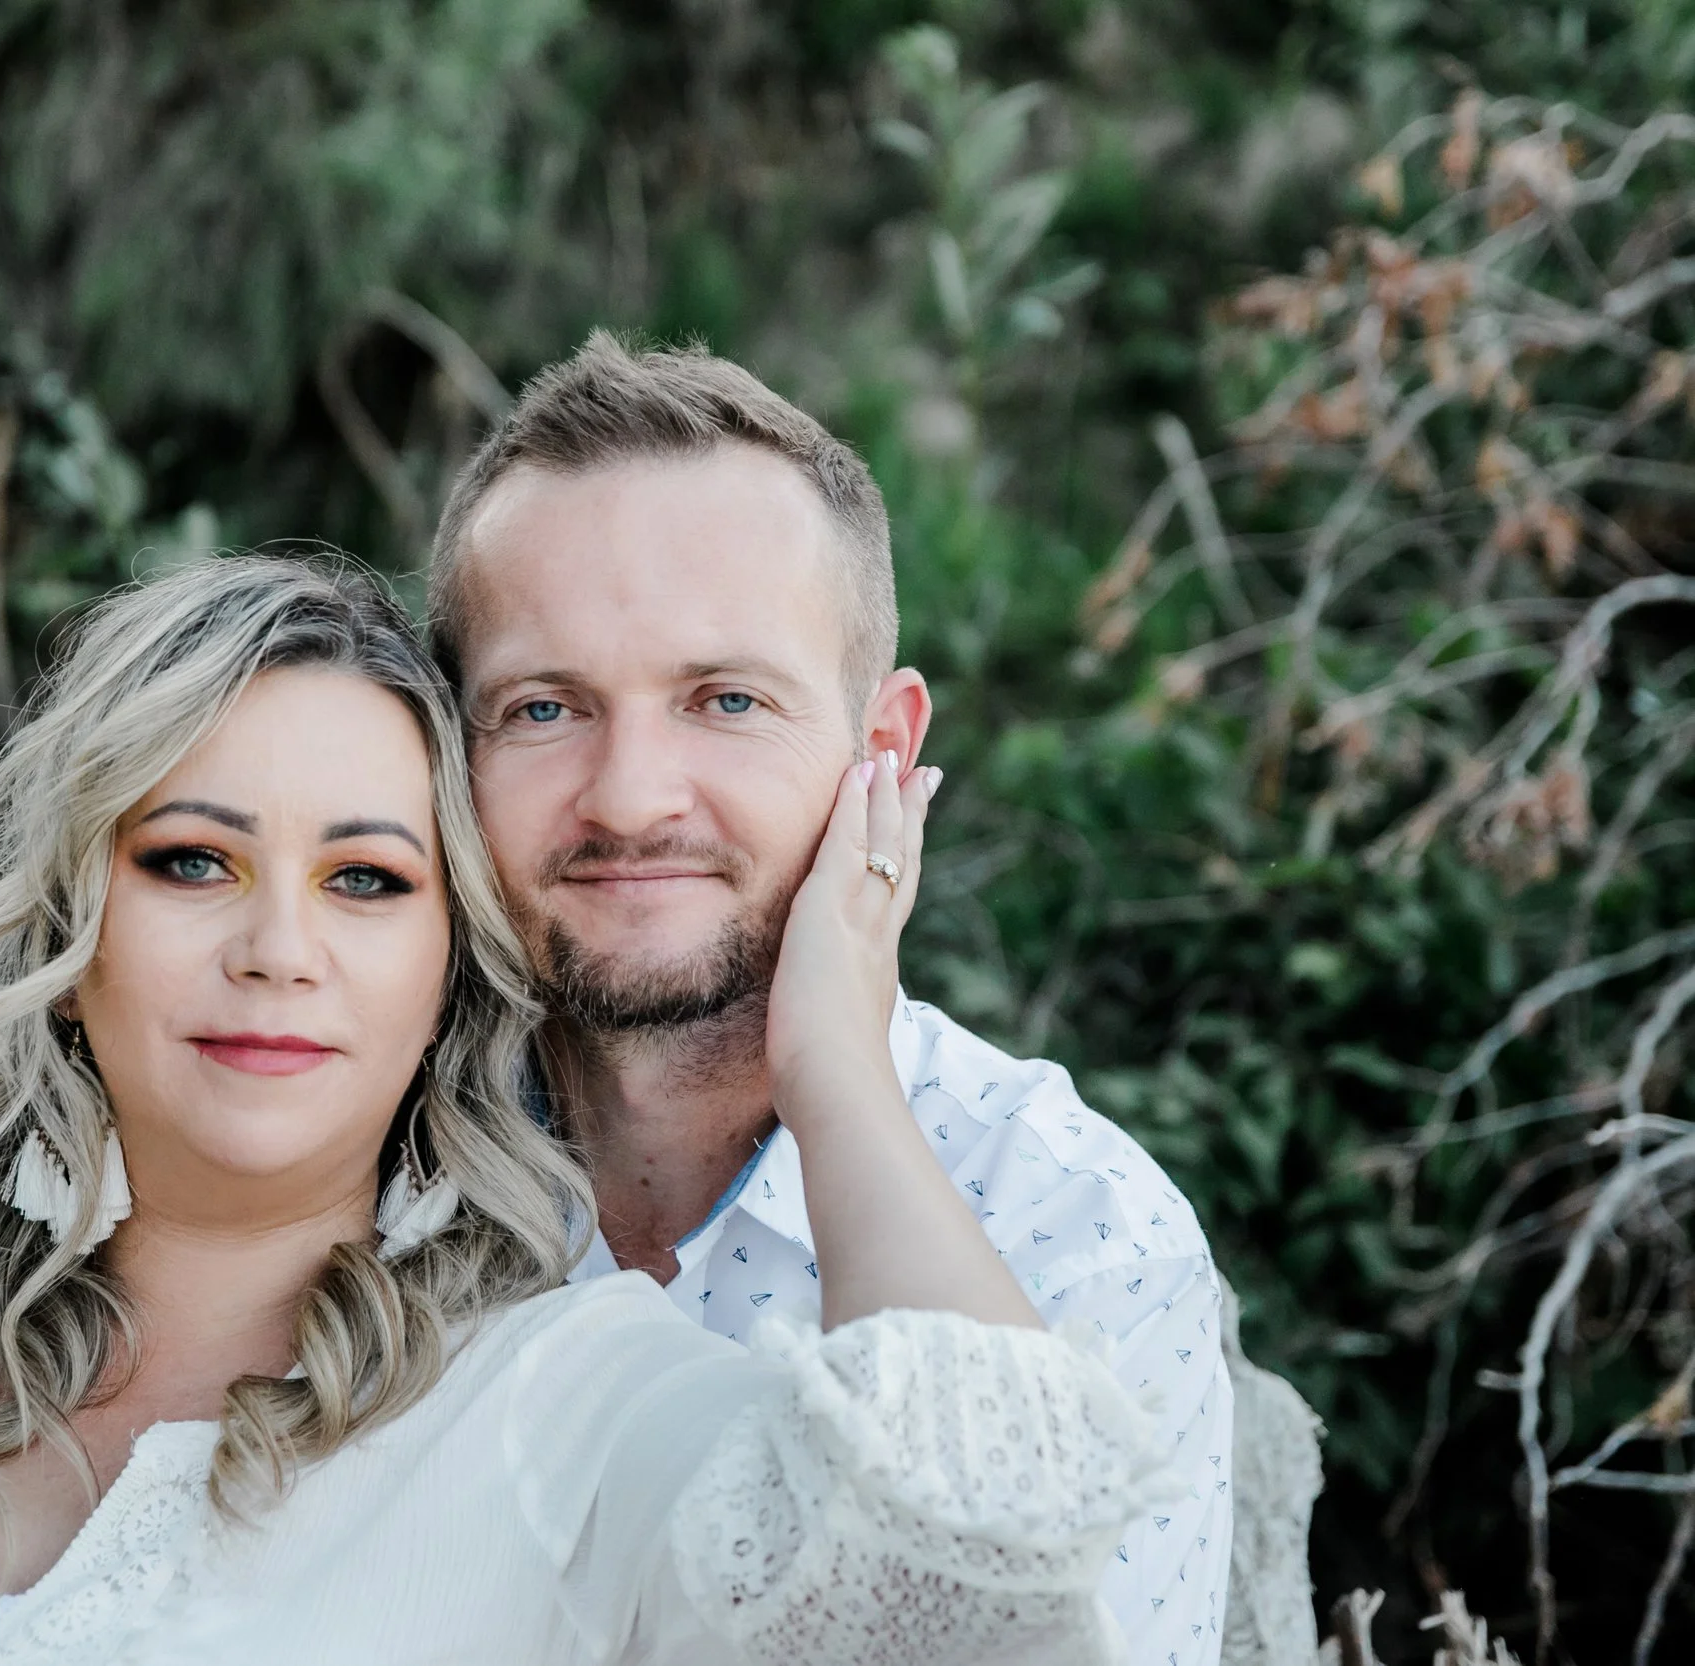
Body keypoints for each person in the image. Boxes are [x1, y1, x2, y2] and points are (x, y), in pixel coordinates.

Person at [0, 556, 1165, 1666]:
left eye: (367, 880)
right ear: (69, 927)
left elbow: (987, 1581)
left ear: (447, 971)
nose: (277, 950)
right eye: (191, 859)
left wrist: (834, 1054)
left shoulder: (573, 1406)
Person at [428, 334, 1237, 1666]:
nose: (632, 796)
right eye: (543, 708)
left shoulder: (1085, 1238)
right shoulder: (346, 1160)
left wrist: (836, 1075)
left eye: (726, 699)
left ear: (884, 748)